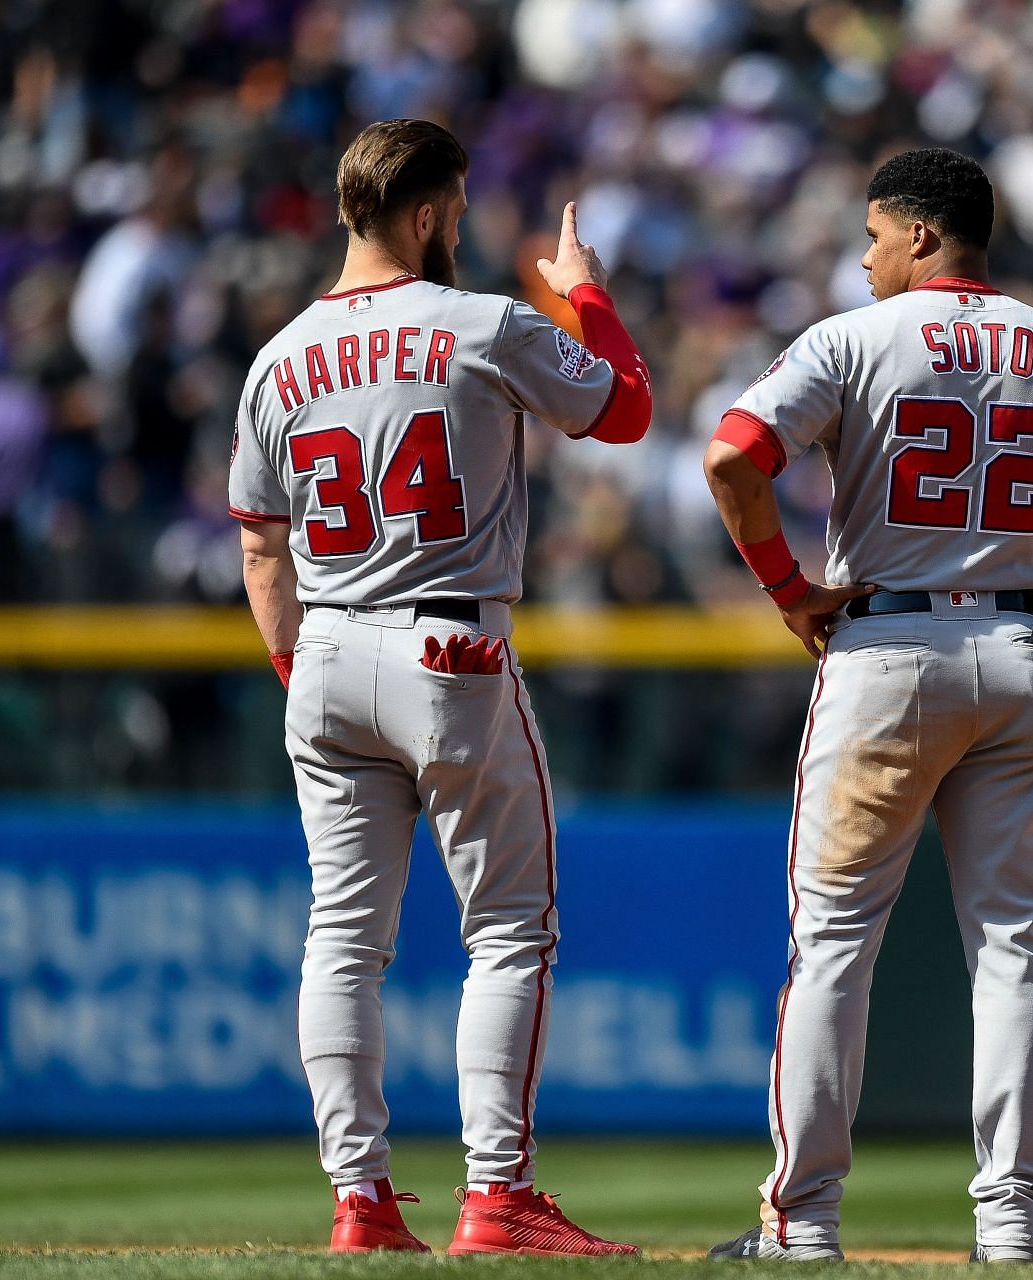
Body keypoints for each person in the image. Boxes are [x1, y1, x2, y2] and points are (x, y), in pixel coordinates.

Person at [702, 147, 1033, 1263]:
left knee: (835, 943)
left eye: (874, 233)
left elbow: (733, 459)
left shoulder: (853, 340)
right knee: (1014, 947)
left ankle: (804, 1225)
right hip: (1023, 645)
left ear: (924, 236)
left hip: (887, 645)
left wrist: (790, 589)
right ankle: (1013, 1229)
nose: (863, 255)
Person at [230, 118, 651, 1256]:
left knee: (343, 936)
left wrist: (300, 671)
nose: (458, 228)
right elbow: (624, 407)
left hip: (325, 653)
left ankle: (358, 1199)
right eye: (454, 213)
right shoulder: (482, 322)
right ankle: (497, 1193)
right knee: (509, 930)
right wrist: (585, 295)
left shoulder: (276, 357)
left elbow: (261, 549)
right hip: (451, 646)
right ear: (422, 214)